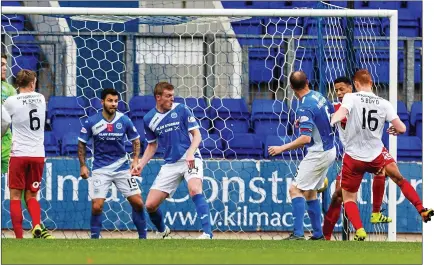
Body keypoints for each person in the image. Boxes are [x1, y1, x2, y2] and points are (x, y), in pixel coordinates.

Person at [323, 75, 433, 240]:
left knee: (395, 175)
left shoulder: (352, 100)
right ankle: (326, 236)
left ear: (352, 87)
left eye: (342, 89)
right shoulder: (335, 106)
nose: (338, 93)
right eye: (336, 90)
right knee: (338, 195)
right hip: (358, 152)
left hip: (369, 152)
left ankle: (409, 210)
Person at [131, 81, 213, 239]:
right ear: (158, 97)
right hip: (170, 163)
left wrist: (190, 152)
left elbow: (197, 135)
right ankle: (163, 231)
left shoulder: (181, 109)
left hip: (190, 158)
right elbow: (152, 145)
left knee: (195, 189)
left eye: (173, 96)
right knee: (150, 205)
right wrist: (140, 164)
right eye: (168, 96)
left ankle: (207, 234)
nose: (172, 99)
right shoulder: (149, 119)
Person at [268, 71, 336, 240]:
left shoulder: (304, 107)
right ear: (308, 82)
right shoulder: (318, 96)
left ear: (291, 87)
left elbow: (305, 138)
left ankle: (298, 234)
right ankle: (318, 234)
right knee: (311, 192)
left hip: (318, 153)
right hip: (329, 149)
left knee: (295, 189)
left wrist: (281, 148)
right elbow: (331, 115)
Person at [78, 88, 147, 239]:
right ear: (102, 102)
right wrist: (83, 165)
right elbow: (81, 143)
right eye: (110, 101)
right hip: (100, 169)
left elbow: (136, 140)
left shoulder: (124, 120)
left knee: (138, 203)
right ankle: (95, 238)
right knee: (97, 206)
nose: (114, 104)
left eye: (116, 101)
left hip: (122, 167)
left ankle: (143, 238)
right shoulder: (92, 121)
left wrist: (135, 160)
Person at [3, 69, 53, 239]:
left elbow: (4, 121)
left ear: (17, 84)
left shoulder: (11, 101)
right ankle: (37, 224)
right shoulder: (40, 98)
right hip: (38, 154)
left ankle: (19, 237)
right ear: (33, 83)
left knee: (15, 196)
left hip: (18, 154)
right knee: (32, 194)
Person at [1, 54, 17, 175]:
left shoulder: (10, 89)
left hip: (6, 142)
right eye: (1, 65)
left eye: (5, 65)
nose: (5, 68)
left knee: (10, 183)